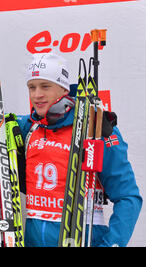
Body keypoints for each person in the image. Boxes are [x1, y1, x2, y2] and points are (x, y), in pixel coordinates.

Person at [17, 52, 142, 247]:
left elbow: (128, 197)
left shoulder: (96, 128)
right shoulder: (30, 126)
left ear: (63, 89)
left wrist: (111, 244)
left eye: (45, 86)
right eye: (31, 87)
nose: (36, 94)